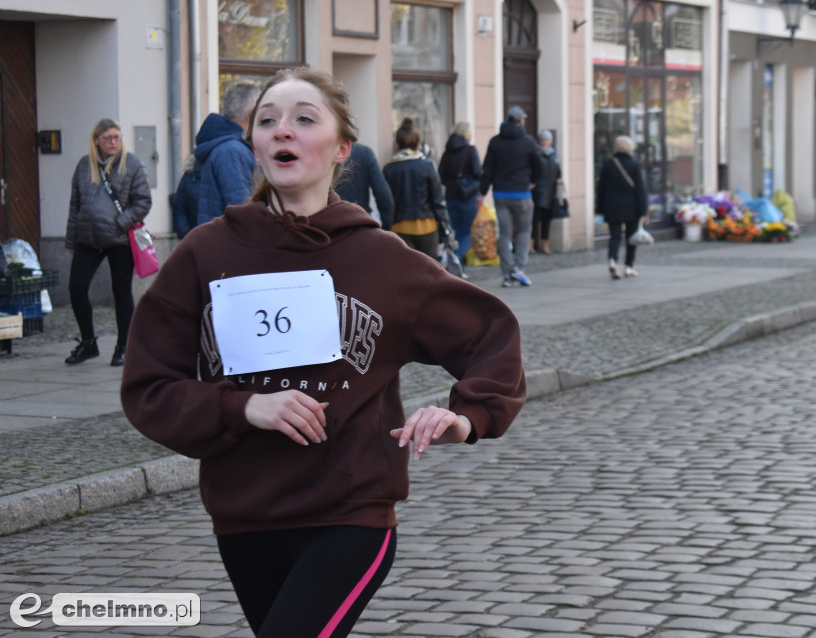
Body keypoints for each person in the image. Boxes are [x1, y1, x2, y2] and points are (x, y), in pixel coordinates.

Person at [119, 67, 526, 638]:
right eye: (267, 120)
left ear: (341, 149)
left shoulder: (384, 260)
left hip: (348, 514)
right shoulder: (203, 255)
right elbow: (149, 388)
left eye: (304, 119)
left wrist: (467, 415)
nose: (282, 130)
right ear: (254, 144)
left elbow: (491, 333)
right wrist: (243, 407)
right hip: (244, 516)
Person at [64, 118, 152, 366]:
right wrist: (71, 239)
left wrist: (119, 222)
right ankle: (88, 343)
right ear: (97, 141)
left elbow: (143, 202)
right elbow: (75, 205)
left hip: (119, 239)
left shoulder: (132, 164)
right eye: (108, 138)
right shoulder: (85, 165)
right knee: (77, 288)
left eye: (117, 137)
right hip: (88, 239)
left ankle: (124, 346)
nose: (113, 142)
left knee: (121, 293)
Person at [481, 106, 543, 288]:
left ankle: (507, 273)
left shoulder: (495, 142)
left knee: (505, 233)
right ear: (521, 121)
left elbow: (487, 169)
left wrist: (482, 192)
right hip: (522, 193)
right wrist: (534, 181)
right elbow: (539, 165)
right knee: (524, 230)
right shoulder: (528, 142)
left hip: (500, 194)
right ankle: (519, 268)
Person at [191, 81, 261, 228]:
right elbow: (242, 208)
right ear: (252, 111)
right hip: (230, 244)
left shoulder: (227, 145)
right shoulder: (232, 150)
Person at [383, 117, 452, 257]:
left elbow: (386, 201)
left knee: (405, 273)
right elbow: (438, 200)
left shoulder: (389, 168)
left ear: (398, 143)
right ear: (418, 144)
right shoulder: (427, 165)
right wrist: (445, 224)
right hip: (427, 227)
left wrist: (385, 226)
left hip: (399, 227)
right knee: (430, 272)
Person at [596, 135, 647, 279]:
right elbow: (640, 190)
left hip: (612, 205)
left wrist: (599, 209)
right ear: (630, 148)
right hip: (631, 206)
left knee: (615, 236)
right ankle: (629, 267)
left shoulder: (608, 164)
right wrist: (643, 211)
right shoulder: (634, 165)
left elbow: (601, 188)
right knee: (632, 237)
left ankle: (612, 260)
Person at [438, 121, 483, 262]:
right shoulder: (470, 150)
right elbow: (478, 173)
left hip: (451, 197)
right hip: (468, 196)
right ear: (466, 133)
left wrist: (453, 183)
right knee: (469, 233)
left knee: (457, 231)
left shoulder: (447, 152)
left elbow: (441, 176)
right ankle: (455, 258)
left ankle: (458, 267)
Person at [335, 141, 394, 230]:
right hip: (360, 224)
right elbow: (384, 196)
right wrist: (386, 228)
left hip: (329, 230)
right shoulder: (364, 153)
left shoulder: (321, 152)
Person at [531, 129, 561, 255]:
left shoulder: (555, 155)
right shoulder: (536, 154)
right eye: (543, 140)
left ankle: (545, 245)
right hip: (538, 191)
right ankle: (530, 245)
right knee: (534, 220)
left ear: (550, 141)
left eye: (547, 140)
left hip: (550, 191)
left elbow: (558, 171)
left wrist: (559, 179)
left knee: (546, 221)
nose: (544, 142)